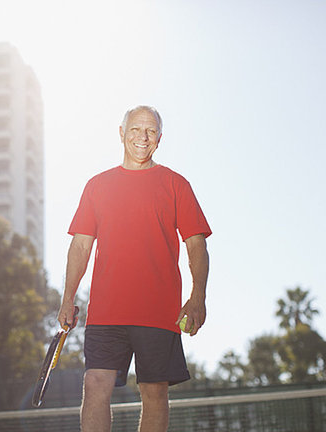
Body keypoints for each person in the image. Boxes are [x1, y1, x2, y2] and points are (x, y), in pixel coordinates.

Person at [58, 105, 211, 432]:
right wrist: (67, 298)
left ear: (159, 138)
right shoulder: (97, 185)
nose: (143, 137)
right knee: (95, 384)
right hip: (106, 312)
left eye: (151, 131)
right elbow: (81, 245)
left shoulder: (176, 185)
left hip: (158, 312)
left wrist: (198, 297)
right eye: (136, 129)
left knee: (154, 392)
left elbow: (196, 244)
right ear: (121, 133)